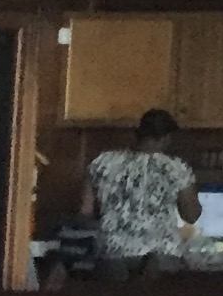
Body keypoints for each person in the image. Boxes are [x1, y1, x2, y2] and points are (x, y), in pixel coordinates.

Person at [81, 109, 199, 282]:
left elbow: (85, 211)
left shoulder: (102, 163)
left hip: (112, 252)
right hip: (161, 255)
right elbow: (191, 215)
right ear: (166, 137)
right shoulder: (175, 168)